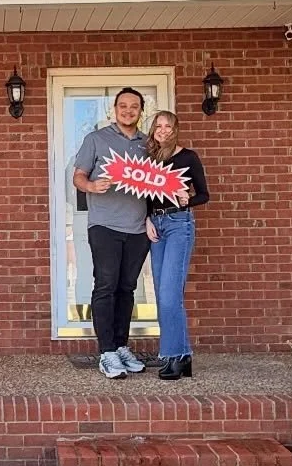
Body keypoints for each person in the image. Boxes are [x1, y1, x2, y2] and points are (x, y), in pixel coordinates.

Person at [72, 87, 154, 380]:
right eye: (123, 105)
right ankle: (106, 351)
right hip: (104, 225)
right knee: (105, 285)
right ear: (114, 110)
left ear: (141, 111)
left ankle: (121, 346)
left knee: (127, 288)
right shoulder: (96, 139)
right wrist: (92, 186)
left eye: (134, 106)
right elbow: (78, 175)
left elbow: (157, 186)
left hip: (137, 228)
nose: (128, 110)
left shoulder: (149, 144)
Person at [143, 110, 210, 380]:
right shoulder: (150, 160)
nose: (162, 130)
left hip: (179, 225)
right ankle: (182, 356)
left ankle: (174, 356)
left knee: (171, 294)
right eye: (158, 126)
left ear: (175, 129)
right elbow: (147, 196)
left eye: (167, 126)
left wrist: (187, 200)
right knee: (162, 295)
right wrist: (147, 218)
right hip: (156, 226)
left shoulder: (188, 157)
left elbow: (204, 194)